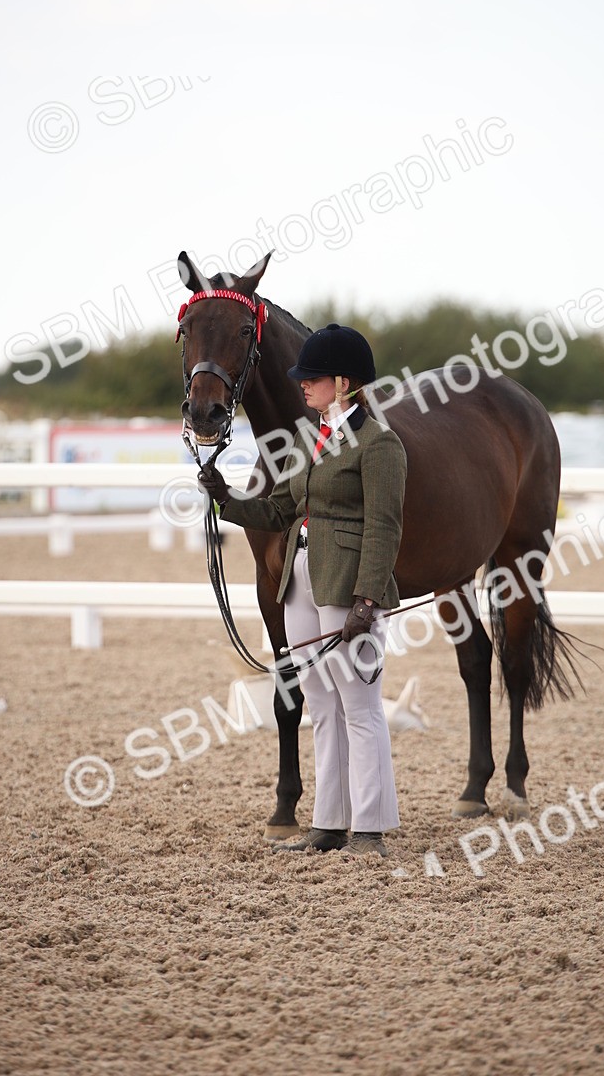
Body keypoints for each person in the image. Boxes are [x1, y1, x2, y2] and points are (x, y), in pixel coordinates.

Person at [198, 323, 407, 857]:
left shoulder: (381, 445)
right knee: (319, 700)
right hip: (300, 579)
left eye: (310, 378)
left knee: (359, 703)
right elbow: (280, 510)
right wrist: (225, 499)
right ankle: (328, 823)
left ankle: (369, 829)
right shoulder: (307, 442)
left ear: (342, 382)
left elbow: (385, 526)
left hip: (346, 583)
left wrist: (367, 598)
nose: (302, 386)